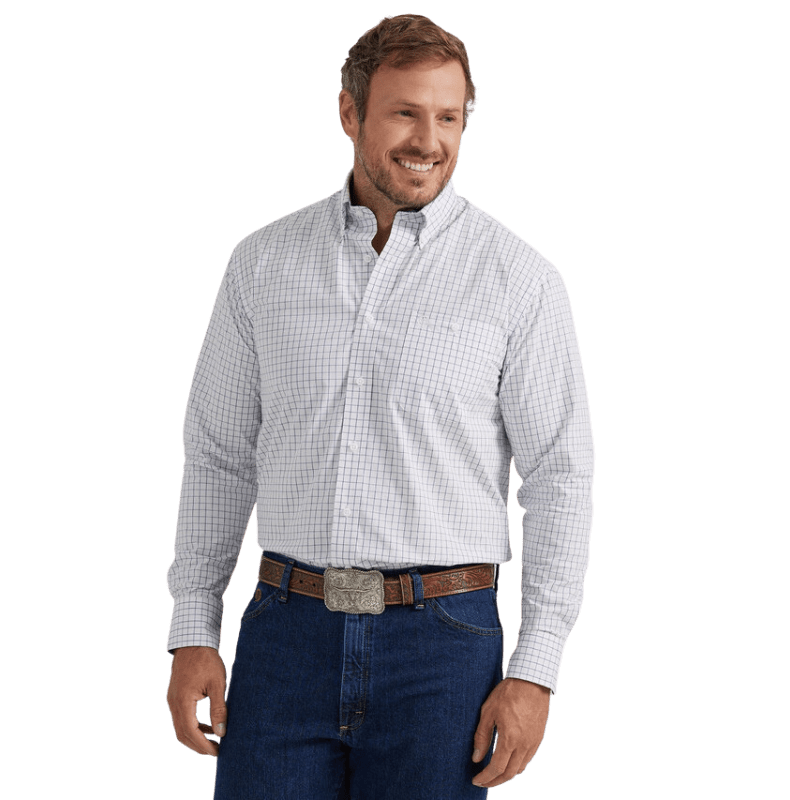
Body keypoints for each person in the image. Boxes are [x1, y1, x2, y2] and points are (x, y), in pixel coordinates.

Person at [165, 13, 594, 799]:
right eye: (404, 113)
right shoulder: (262, 264)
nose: (428, 140)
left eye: (448, 117)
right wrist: (193, 625)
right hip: (284, 635)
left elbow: (560, 478)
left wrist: (536, 671)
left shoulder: (521, 281)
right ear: (349, 113)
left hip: (445, 649)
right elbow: (219, 454)